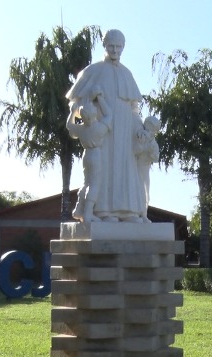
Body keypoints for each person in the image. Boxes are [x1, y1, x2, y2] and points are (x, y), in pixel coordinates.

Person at [66, 29, 146, 223]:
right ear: (104, 46)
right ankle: (102, 212)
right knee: (102, 174)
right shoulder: (92, 71)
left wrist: (140, 130)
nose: (115, 50)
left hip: (125, 135)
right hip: (102, 136)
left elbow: (134, 110)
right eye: (111, 46)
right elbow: (76, 109)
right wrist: (81, 124)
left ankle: (127, 212)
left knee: (125, 170)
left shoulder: (127, 74)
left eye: (119, 47)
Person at [66, 88, 111, 222]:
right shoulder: (98, 128)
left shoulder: (81, 129)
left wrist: (74, 110)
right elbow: (109, 115)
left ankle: (79, 209)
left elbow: (70, 126)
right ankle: (88, 213)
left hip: (86, 155)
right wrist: (101, 99)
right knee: (94, 184)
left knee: (86, 182)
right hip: (96, 155)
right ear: (93, 115)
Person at [133, 115, 161, 223]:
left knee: (145, 193)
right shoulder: (141, 135)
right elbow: (136, 150)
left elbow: (156, 157)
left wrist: (151, 151)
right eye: (152, 128)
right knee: (138, 191)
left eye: (155, 130)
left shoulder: (153, 142)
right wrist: (144, 146)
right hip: (137, 167)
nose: (153, 131)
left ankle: (143, 214)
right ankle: (137, 214)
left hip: (145, 169)